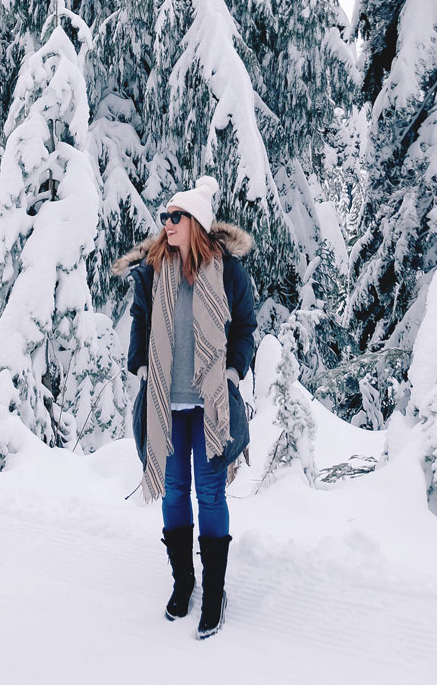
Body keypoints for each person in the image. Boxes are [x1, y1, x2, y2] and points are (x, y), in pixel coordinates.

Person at [114, 175, 257, 640]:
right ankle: (184, 582)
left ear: (194, 222)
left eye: (174, 216)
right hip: (165, 401)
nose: (166, 223)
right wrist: (139, 366)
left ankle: (213, 593)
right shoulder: (154, 270)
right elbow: (139, 320)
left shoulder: (227, 272)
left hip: (210, 402)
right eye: (164, 217)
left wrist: (234, 371)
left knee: (210, 493)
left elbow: (244, 329)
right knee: (174, 491)